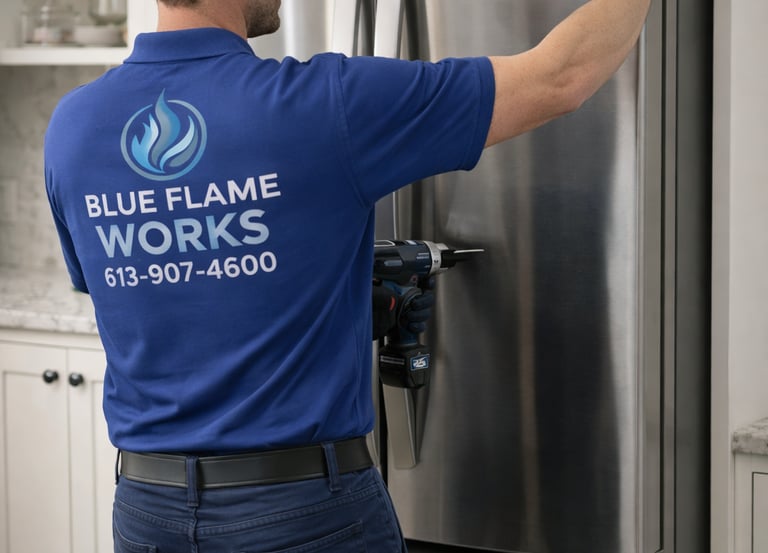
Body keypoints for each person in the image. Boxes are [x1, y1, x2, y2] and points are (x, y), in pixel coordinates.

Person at [44, 0, 651, 551]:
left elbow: (161, 297)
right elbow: (560, 76)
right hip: (301, 512)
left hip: (150, 514)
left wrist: (333, 304)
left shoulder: (71, 129)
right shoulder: (323, 104)